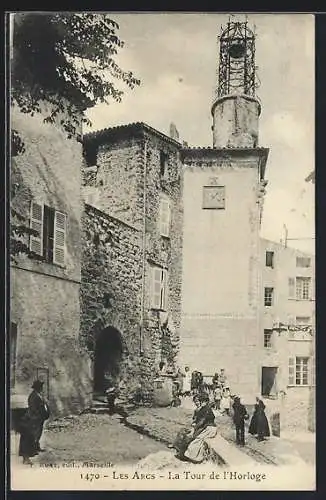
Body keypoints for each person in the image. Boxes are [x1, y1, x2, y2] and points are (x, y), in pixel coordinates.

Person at [18, 380, 50, 464]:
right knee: (29, 437)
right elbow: (33, 409)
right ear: (38, 387)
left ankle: (35, 449)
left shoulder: (39, 395)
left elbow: (42, 405)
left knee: (35, 435)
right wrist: (37, 416)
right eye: (41, 386)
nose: (42, 388)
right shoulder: (33, 396)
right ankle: (26, 458)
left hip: (37, 419)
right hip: (32, 419)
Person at [183, 392, 217, 463]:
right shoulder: (203, 409)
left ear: (206, 401)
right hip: (207, 428)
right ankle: (192, 457)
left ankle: (196, 459)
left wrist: (194, 429)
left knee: (196, 442)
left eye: (203, 401)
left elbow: (202, 421)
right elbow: (198, 420)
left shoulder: (206, 409)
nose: (202, 403)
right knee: (193, 438)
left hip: (210, 429)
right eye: (202, 401)